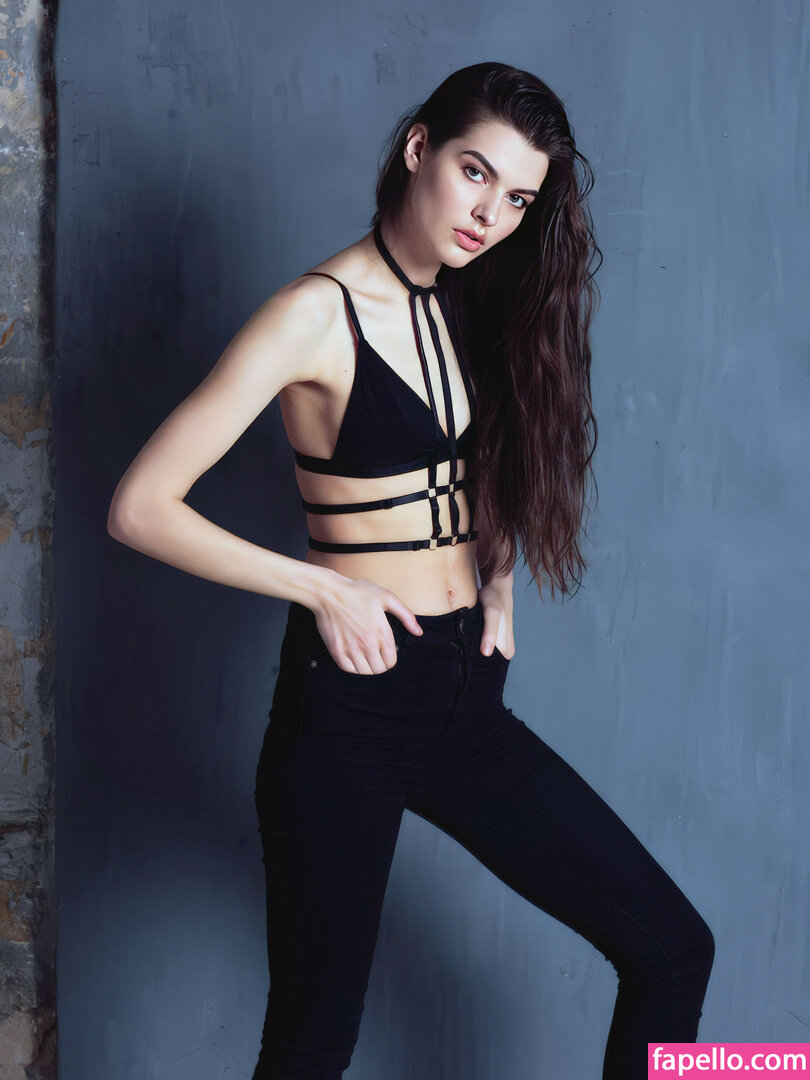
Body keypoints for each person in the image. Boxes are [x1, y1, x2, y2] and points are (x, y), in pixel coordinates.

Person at [108, 61, 714, 1080]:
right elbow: (138, 506)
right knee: (314, 1042)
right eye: (476, 173)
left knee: (672, 948)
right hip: (349, 709)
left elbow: (470, 466)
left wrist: (499, 581)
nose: (490, 214)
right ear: (419, 147)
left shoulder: (462, 301)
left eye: (517, 198)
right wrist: (324, 586)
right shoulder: (314, 313)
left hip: (465, 701)